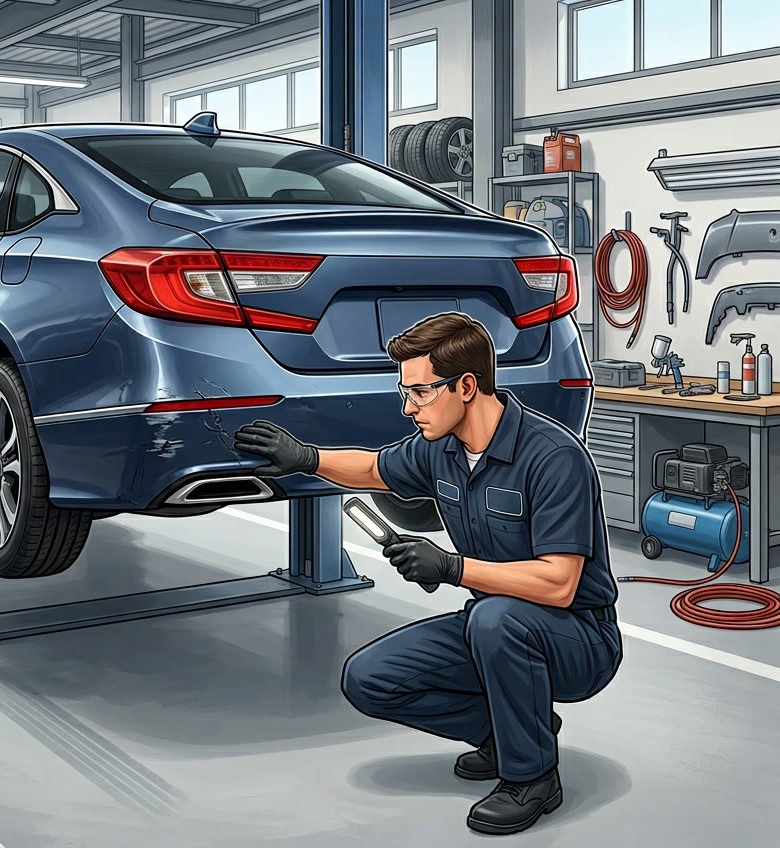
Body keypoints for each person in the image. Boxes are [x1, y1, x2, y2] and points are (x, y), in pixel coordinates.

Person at [233, 312, 622, 836]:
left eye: (420, 392)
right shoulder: (442, 448)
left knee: (497, 619)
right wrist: (306, 458)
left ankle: (532, 777)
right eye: (406, 392)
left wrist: (451, 567)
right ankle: (510, 733)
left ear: (466, 386)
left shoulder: (552, 457)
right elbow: (373, 469)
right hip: (494, 627)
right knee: (370, 678)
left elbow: (558, 583)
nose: (408, 407)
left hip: (579, 640)